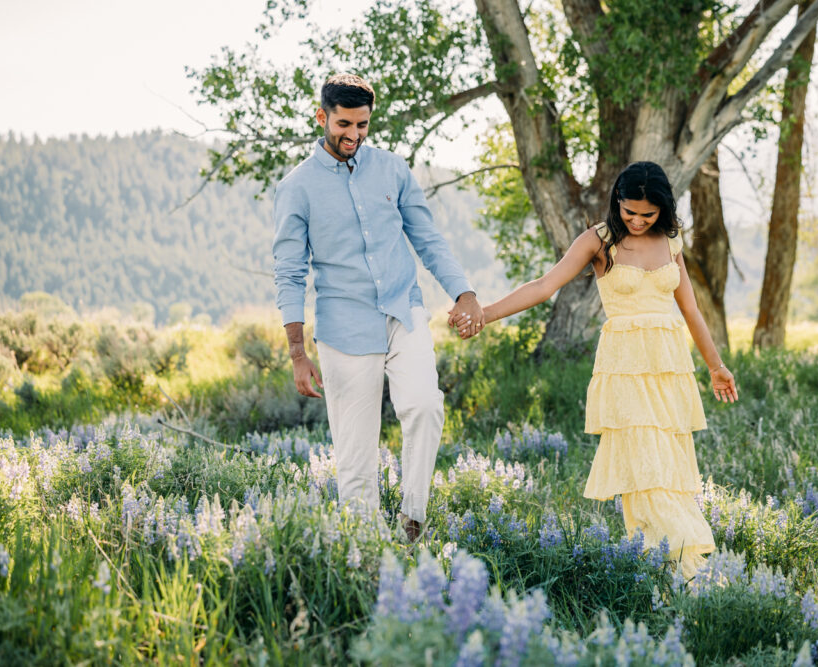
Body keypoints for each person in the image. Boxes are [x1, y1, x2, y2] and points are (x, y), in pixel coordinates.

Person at [455, 161, 738, 576]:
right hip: (623, 368)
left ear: (662, 209)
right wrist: (486, 313)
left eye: (648, 214)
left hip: (668, 368)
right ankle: (683, 564)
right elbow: (543, 286)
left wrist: (716, 366)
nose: (638, 221)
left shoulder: (671, 242)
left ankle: (662, 565)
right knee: (645, 464)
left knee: (670, 466)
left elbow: (690, 308)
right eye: (630, 212)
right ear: (616, 203)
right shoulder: (599, 241)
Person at [272, 73, 484, 543]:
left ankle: (413, 522)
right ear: (321, 116)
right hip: (343, 328)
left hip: (403, 312)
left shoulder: (391, 169)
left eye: (362, 125)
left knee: (425, 406)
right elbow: (289, 274)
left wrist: (462, 291)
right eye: (343, 124)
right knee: (355, 454)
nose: (353, 135)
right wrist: (297, 353)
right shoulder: (297, 187)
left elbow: (426, 238)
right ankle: (364, 552)